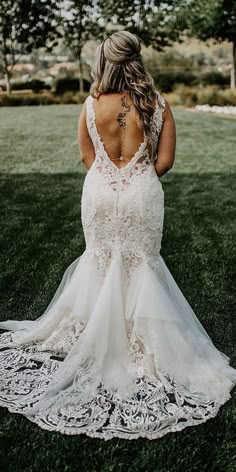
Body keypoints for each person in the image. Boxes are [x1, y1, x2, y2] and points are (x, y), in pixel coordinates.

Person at [0, 31, 235, 441]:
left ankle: (95, 333)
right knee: (141, 264)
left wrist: (111, 178)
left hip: (101, 194)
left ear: (103, 62)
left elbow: (88, 158)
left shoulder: (91, 105)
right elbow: (164, 162)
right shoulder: (158, 104)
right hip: (142, 193)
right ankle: (140, 342)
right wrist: (136, 176)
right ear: (136, 59)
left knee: (100, 260)